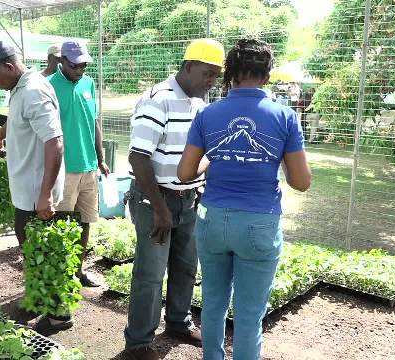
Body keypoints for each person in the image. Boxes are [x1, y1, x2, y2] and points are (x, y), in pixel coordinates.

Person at [177, 38, 312, 360]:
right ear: (266, 75)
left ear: (230, 74)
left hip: (212, 221)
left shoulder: (208, 114)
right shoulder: (285, 117)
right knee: (250, 317)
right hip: (259, 223)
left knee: (212, 305)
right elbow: (301, 182)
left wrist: (216, 160)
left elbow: (185, 173)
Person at [124, 38, 225, 360]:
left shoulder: (199, 103)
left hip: (188, 198)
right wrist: (159, 208)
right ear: (188, 67)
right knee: (150, 275)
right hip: (154, 200)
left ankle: (178, 322)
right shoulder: (158, 100)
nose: (211, 82)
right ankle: (138, 342)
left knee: (185, 266)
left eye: (216, 76)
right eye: (207, 74)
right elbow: (138, 158)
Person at [0, 40, 71, 330]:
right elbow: (21, 120)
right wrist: (0, 134)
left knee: (42, 252)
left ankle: (59, 316)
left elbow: (55, 143)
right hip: (28, 192)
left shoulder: (32, 91)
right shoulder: (19, 88)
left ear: (8, 66)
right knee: (33, 252)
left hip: (36, 194)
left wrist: (45, 196)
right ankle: (40, 302)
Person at [48, 40, 109, 287]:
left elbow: (94, 122)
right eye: (75, 66)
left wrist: (101, 158)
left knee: (85, 220)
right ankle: (60, 273)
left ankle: (78, 271)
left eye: (84, 65)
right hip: (64, 168)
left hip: (89, 166)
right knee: (63, 221)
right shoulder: (49, 86)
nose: (80, 70)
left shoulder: (88, 83)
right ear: (62, 61)